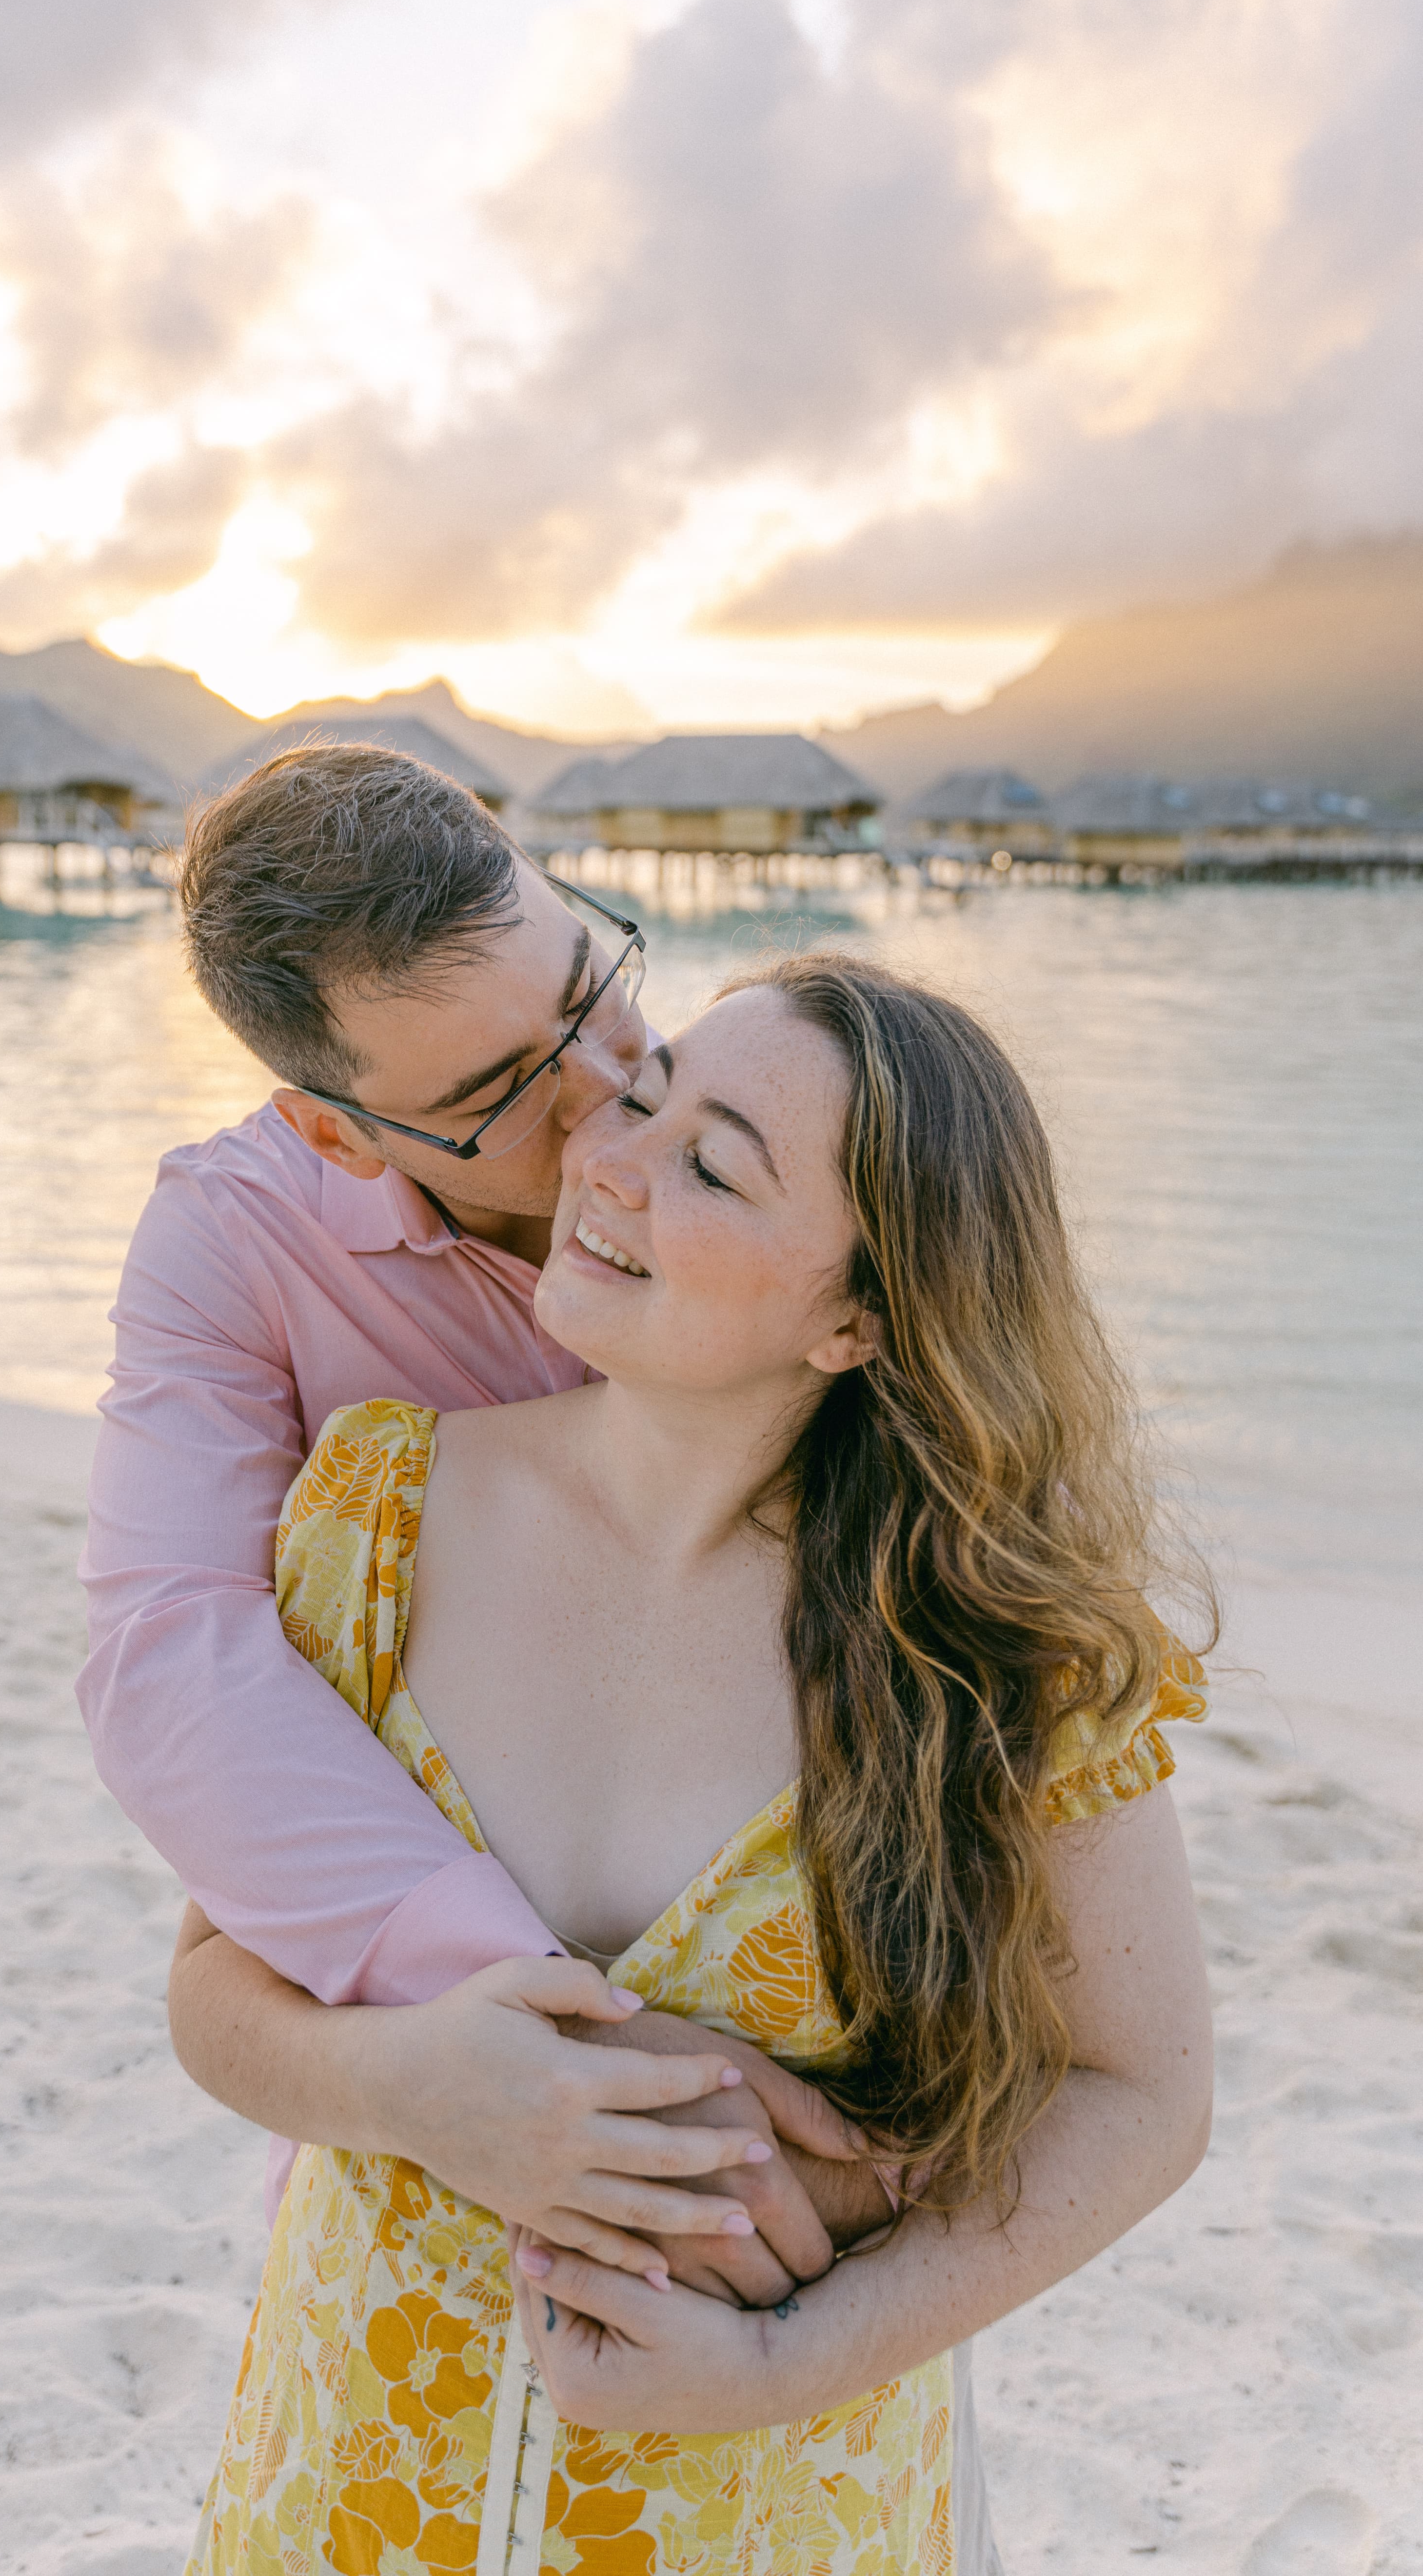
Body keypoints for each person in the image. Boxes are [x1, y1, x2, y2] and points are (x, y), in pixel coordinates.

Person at [167, 953, 1213, 2575]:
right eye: (646, 1099)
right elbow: (215, 1993)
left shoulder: (1005, 1652)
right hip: (352, 2476)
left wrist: (787, 2364)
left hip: (783, 2502)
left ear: (858, 1313)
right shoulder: (373, 1514)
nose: (609, 1165)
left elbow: (1143, 2098)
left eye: (715, 1165)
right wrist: (423, 2091)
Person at [79, 744, 887, 2288]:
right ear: (336, 1130)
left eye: (591, 993)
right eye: (500, 1092)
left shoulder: (767, 1128)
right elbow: (171, 1651)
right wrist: (543, 2025)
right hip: (431, 2067)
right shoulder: (234, 1241)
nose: (601, 1110)